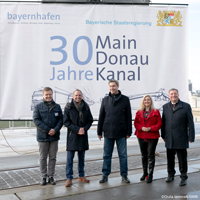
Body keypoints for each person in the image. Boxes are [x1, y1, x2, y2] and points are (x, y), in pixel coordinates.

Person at [97, 79, 132, 183]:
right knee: (106, 155)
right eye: (110, 86)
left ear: (118, 86)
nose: (112, 88)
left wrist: (128, 132)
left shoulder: (125, 99)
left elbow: (128, 116)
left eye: (114, 86)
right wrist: (99, 132)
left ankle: (124, 175)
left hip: (121, 132)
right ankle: (105, 175)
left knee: (123, 155)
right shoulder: (105, 100)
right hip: (108, 132)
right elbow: (101, 116)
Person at [161, 88, 195, 186]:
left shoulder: (186, 106)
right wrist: (163, 135)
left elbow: (190, 123)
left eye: (175, 93)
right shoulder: (165, 107)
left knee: (182, 159)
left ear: (178, 95)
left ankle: (183, 177)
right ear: (169, 96)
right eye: (171, 94)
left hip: (181, 137)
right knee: (170, 158)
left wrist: (190, 137)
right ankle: (170, 175)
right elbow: (163, 122)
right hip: (169, 137)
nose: (173, 95)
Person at [33, 87, 63, 186]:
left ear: (52, 94)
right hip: (43, 137)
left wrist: (55, 130)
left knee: (53, 157)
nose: (48, 96)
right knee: (43, 157)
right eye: (46, 94)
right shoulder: (38, 107)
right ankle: (43, 177)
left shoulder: (57, 107)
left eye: (50, 94)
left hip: (54, 136)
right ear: (43, 95)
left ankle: (51, 176)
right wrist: (48, 129)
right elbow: (36, 120)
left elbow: (60, 120)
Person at [63, 89, 93, 187]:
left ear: (82, 96)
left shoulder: (86, 107)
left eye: (79, 95)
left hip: (82, 136)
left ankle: (81, 176)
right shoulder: (68, 107)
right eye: (76, 95)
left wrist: (84, 129)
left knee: (81, 158)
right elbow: (66, 122)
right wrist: (77, 129)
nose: (78, 97)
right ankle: (69, 178)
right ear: (73, 96)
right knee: (69, 159)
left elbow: (90, 120)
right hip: (73, 136)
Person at [134, 95, 162, 183]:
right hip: (141, 135)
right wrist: (141, 128)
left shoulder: (156, 111)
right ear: (143, 101)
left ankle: (150, 174)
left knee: (151, 155)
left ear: (151, 101)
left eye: (148, 100)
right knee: (143, 155)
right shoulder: (139, 112)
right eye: (145, 100)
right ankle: (145, 173)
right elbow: (136, 123)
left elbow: (159, 124)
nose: (147, 101)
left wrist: (150, 128)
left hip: (152, 136)